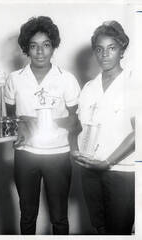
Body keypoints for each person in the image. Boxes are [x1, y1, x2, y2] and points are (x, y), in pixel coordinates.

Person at [4, 16, 81, 235]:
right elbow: (10, 118)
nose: (40, 51)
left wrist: (38, 120)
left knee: (59, 217)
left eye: (46, 45)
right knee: (28, 215)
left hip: (58, 154)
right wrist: (21, 125)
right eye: (34, 46)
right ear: (26, 49)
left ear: (53, 47)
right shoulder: (15, 79)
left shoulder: (66, 79)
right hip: (26, 154)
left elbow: (75, 121)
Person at [73, 20, 135, 235]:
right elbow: (81, 127)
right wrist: (77, 149)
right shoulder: (89, 88)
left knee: (119, 230)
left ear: (122, 50)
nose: (105, 55)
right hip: (90, 170)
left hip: (121, 172)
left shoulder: (134, 84)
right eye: (99, 49)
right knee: (99, 228)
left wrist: (108, 162)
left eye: (112, 48)